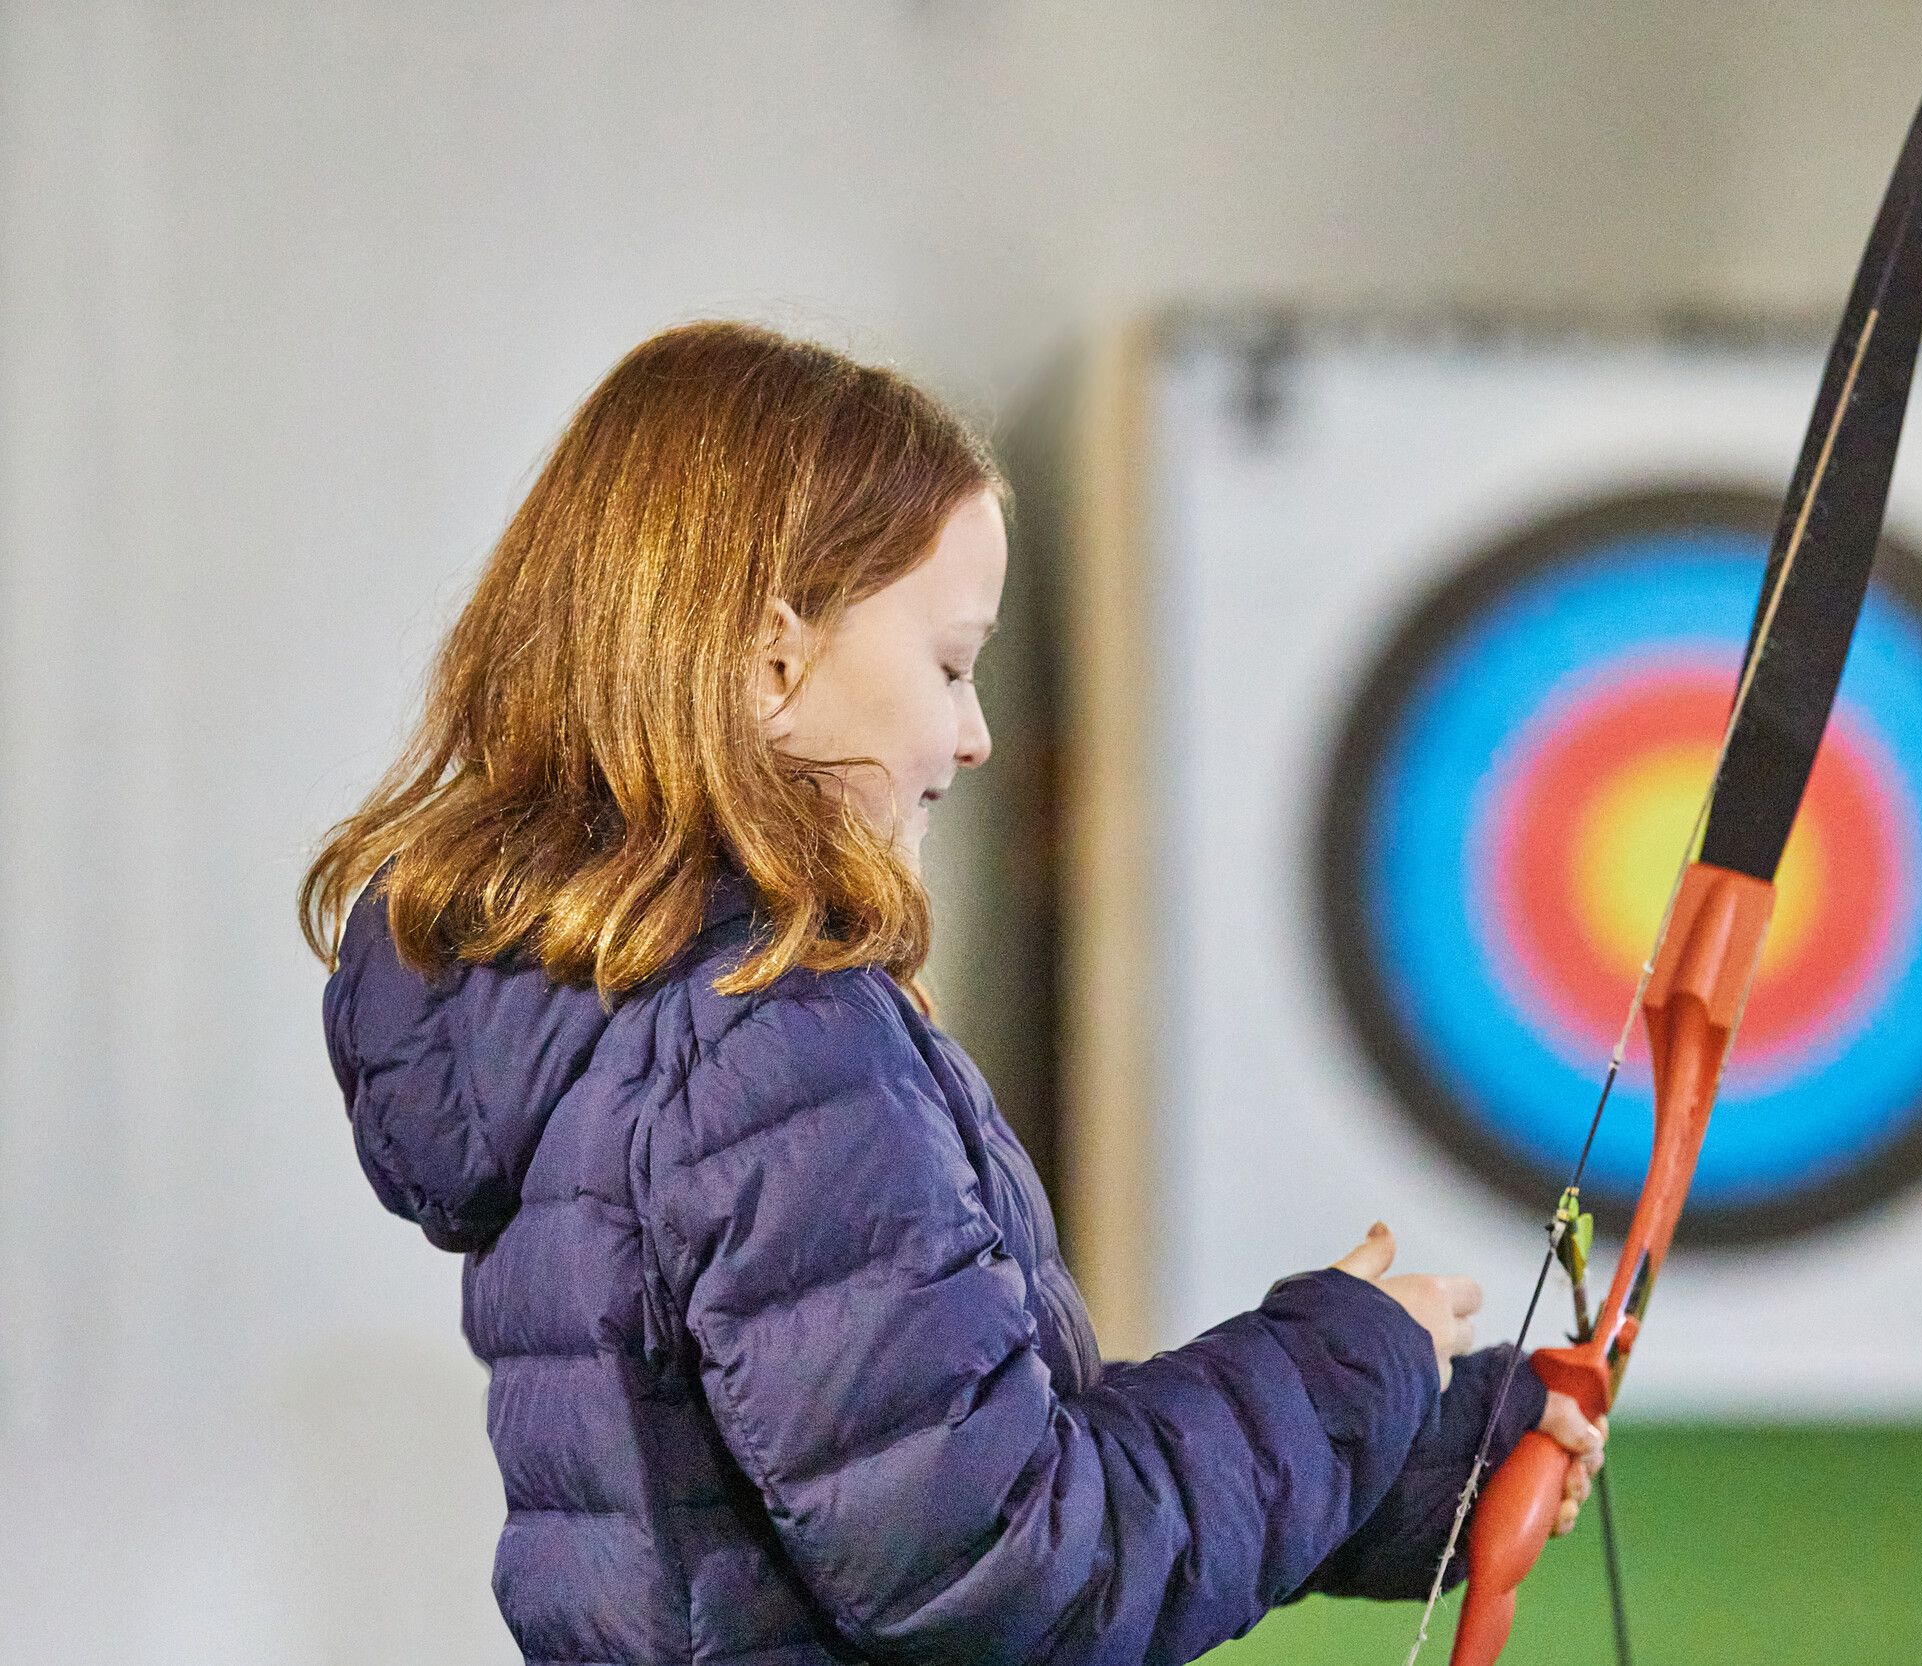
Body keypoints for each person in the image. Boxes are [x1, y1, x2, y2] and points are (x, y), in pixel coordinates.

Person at [301, 320, 1603, 1666]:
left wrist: (1418, 1450)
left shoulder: (615, 1021)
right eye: (948, 662)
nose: (976, 733)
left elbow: (942, 1491)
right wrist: (1335, 1367)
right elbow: (1006, 1571)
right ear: (772, 662)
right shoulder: (765, 1034)